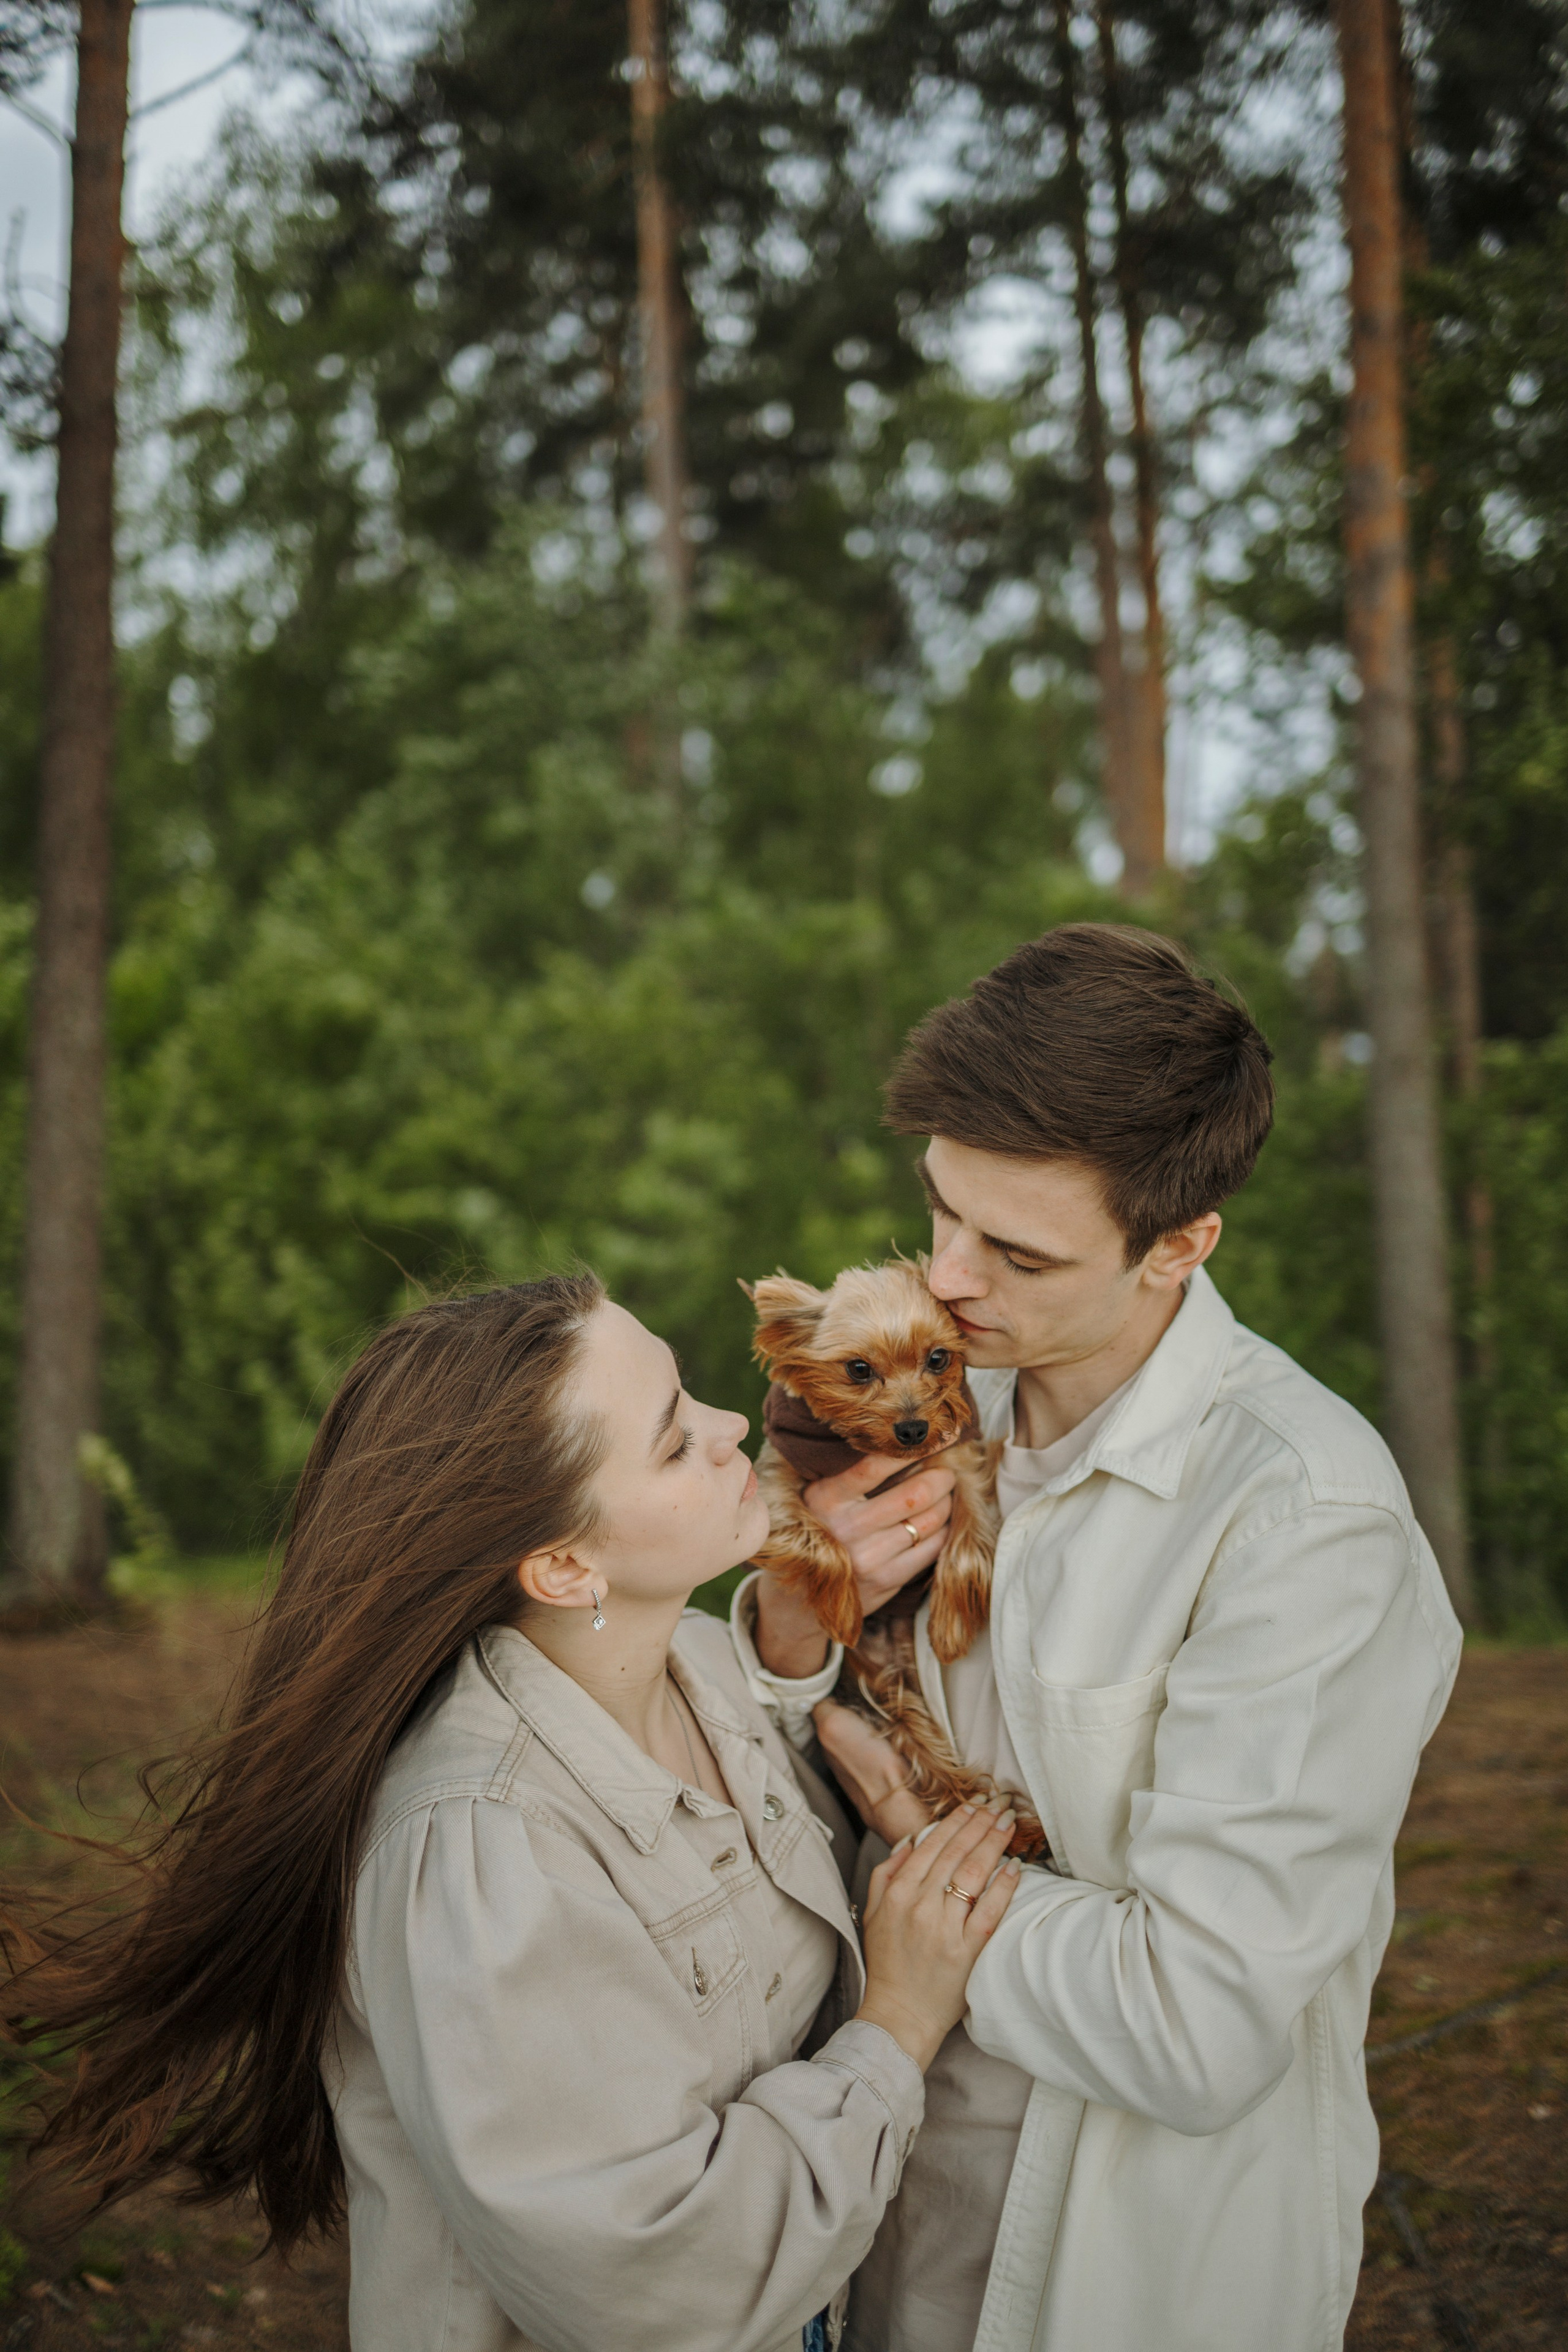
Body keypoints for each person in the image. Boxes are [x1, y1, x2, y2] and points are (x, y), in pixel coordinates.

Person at [4, 1274, 1021, 2352]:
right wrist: (897, 2029)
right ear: (565, 1562)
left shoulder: (698, 1663)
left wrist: (794, 1636)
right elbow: (659, 2284)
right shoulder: (487, 1847)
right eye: (676, 1442)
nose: (734, 1425)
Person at [737, 924, 1463, 2352]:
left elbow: (1196, 2024)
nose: (945, 1279)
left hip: (1112, 2263)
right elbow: (755, 1786)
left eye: (1012, 1251)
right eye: (939, 1209)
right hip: (866, 2212)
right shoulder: (930, 1397)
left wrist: (914, 1854)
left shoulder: (1301, 1522)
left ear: (1176, 1247)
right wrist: (783, 1634)